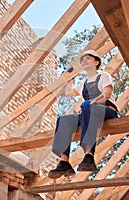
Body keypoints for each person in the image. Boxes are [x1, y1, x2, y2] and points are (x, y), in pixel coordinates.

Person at [48, 50, 120, 179]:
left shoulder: (104, 76)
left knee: (88, 109)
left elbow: (106, 94)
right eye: (83, 60)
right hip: (89, 112)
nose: (84, 61)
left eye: (88, 58)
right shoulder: (84, 83)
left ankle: (89, 157)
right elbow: (69, 92)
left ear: (96, 62)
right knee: (64, 120)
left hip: (106, 110)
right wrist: (69, 78)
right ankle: (64, 162)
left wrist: (91, 102)